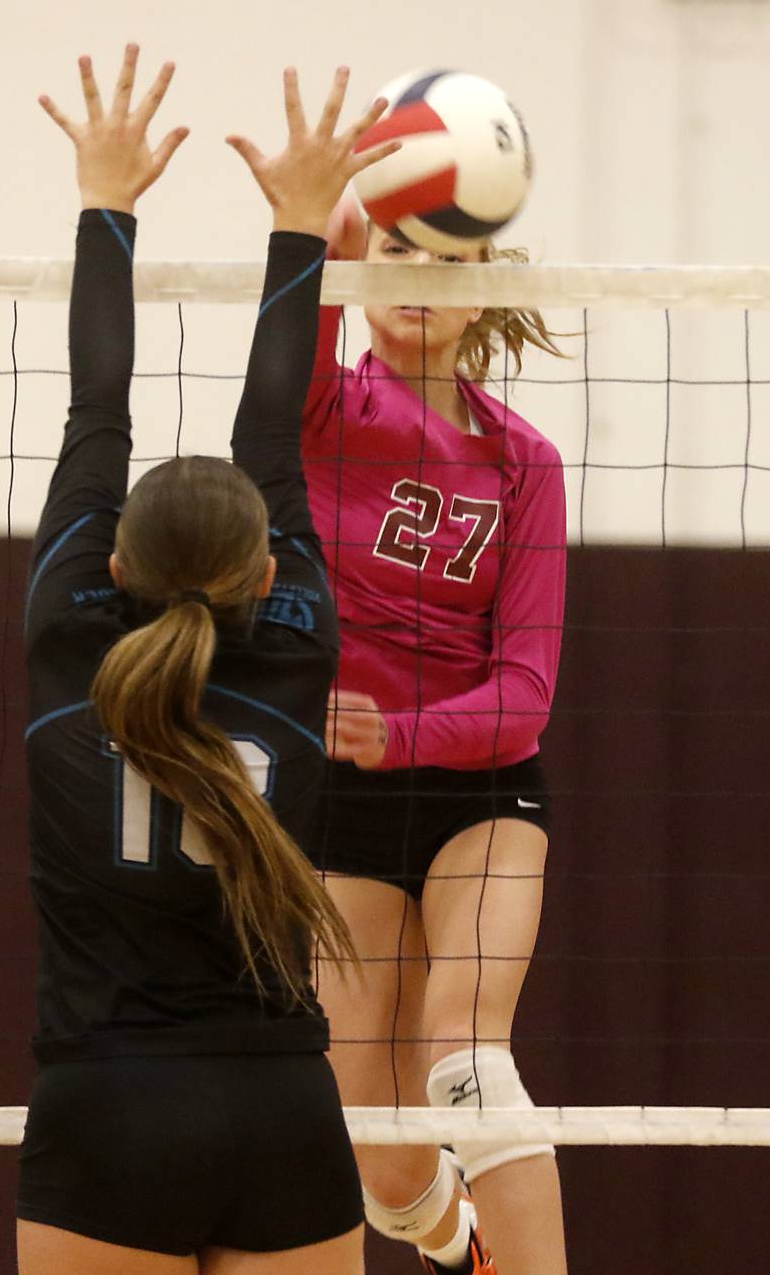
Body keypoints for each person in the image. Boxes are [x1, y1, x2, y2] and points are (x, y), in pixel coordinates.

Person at [16, 46, 398, 1275]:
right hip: (282, 1115)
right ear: (260, 575)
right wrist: (303, 225)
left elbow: (96, 404)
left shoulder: (72, 633)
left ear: (111, 565)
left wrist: (104, 198)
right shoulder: (296, 648)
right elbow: (270, 431)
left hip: (108, 1113)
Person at [301, 193, 569, 1274]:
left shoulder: (524, 463)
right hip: (343, 803)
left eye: (443, 261)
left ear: (479, 292)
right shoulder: (320, 413)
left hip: (481, 789)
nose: (413, 278)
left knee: (462, 1062)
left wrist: (400, 734)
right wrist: (349, 196)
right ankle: (461, 1245)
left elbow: (525, 692)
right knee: (376, 1147)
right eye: (393, 256)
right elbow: (307, 283)